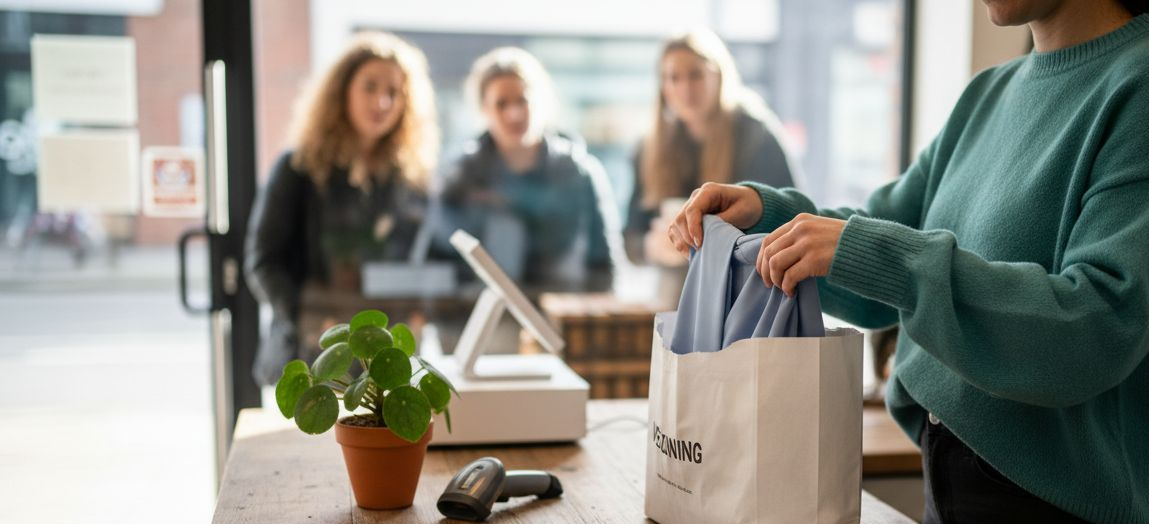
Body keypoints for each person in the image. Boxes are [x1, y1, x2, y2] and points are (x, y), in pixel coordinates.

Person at [669, 0, 1149, 524]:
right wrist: (771, 214)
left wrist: (873, 253)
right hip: (950, 511)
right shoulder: (989, 94)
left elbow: (1096, 327)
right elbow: (878, 248)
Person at [245, 31, 439, 385]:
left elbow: (423, 260)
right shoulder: (298, 167)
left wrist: (418, 314)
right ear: (342, 91)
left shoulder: (409, 179)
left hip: (386, 362)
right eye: (370, 86)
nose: (382, 101)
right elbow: (263, 261)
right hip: (309, 355)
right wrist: (306, 318)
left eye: (394, 93)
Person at [626, 29, 798, 304]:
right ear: (663, 88)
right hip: (676, 296)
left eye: (696, 75)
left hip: (748, 292)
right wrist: (652, 247)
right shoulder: (650, 149)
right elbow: (631, 240)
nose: (685, 88)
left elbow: (791, 220)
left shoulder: (757, 138)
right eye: (674, 78)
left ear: (718, 76)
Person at [440, 47, 622, 294]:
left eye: (522, 101)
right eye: (501, 104)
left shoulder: (579, 171)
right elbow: (443, 258)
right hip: (487, 315)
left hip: (563, 313)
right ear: (484, 110)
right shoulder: (461, 176)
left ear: (541, 102)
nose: (514, 114)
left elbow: (604, 263)